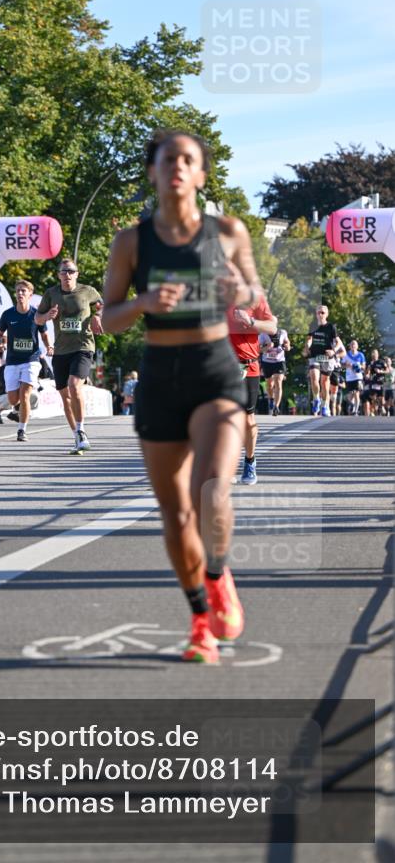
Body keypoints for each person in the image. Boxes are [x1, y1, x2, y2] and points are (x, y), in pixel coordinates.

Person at [102, 128, 265, 664]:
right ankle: (200, 620)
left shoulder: (228, 231)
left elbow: (254, 295)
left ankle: (217, 577)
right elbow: (108, 319)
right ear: (153, 171)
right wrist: (145, 300)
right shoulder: (131, 240)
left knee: (213, 491)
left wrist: (236, 293)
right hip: (159, 375)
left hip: (215, 370)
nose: (177, 166)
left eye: (188, 159)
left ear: (201, 174)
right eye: (167, 158)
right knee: (175, 517)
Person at [34, 258, 103, 453]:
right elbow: (37, 318)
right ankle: (76, 436)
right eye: (63, 272)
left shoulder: (87, 291)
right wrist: (47, 316)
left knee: (74, 385)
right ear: (58, 275)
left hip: (83, 346)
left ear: (77, 274)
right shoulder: (51, 293)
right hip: (61, 350)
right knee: (65, 397)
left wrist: (97, 316)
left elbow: (102, 306)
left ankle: (81, 430)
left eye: (71, 271)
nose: (67, 275)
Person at [228, 295, 278, 484]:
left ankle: (250, 461)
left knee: (248, 419)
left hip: (248, 367)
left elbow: (272, 327)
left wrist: (250, 320)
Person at [0, 280, 51, 442]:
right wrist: (0, 344)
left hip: (31, 360)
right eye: (18, 290)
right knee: (14, 399)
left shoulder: (36, 315)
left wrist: (49, 347)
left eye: (23, 291)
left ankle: (21, 430)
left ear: (30, 295)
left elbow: (44, 334)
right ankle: (17, 405)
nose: (20, 294)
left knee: (25, 395)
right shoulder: (8, 314)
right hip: (12, 361)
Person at [303, 305, 345, 417]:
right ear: (316, 314)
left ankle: (325, 405)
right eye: (318, 312)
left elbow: (339, 343)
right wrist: (307, 348)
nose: (320, 315)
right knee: (313, 376)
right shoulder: (312, 325)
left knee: (325, 381)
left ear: (327, 314)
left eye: (322, 312)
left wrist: (334, 351)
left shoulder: (331, 327)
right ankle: (316, 399)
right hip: (315, 355)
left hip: (327, 357)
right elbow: (308, 339)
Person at [258, 327, 290, 416]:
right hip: (267, 362)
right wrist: (266, 347)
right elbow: (258, 349)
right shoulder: (263, 335)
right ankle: (271, 399)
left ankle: (276, 406)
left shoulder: (283, 332)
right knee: (269, 385)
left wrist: (287, 346)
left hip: (279, 361)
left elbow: (288, 344)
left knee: (278, 382)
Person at [344, 339, 366, 415]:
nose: (353, 346)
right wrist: (347, 365)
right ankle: (352, 405)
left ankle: (355, 411)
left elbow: (364, 366)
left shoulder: (361, 355)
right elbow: (341, 365)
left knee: (356, 393)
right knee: (350, 395)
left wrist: (358, 367)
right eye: (352, 344)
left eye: (354, 344)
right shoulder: (346, 355)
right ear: (350, 346)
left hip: (358, 377)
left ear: (357, 346)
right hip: (349, 377)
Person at [363, 348, 387, 417]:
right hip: (373, 382)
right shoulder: (370, 363)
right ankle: (377, 407)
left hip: (380, 382)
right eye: (373, 354)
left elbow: (387, 370)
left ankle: (381, 406)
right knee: (372, 397)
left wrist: (381, 371)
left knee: (381, 398)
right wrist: (367, 374)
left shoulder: (382, 362)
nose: (374, 355)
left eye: (375, 354)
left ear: (378, 355)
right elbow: (367, 371)